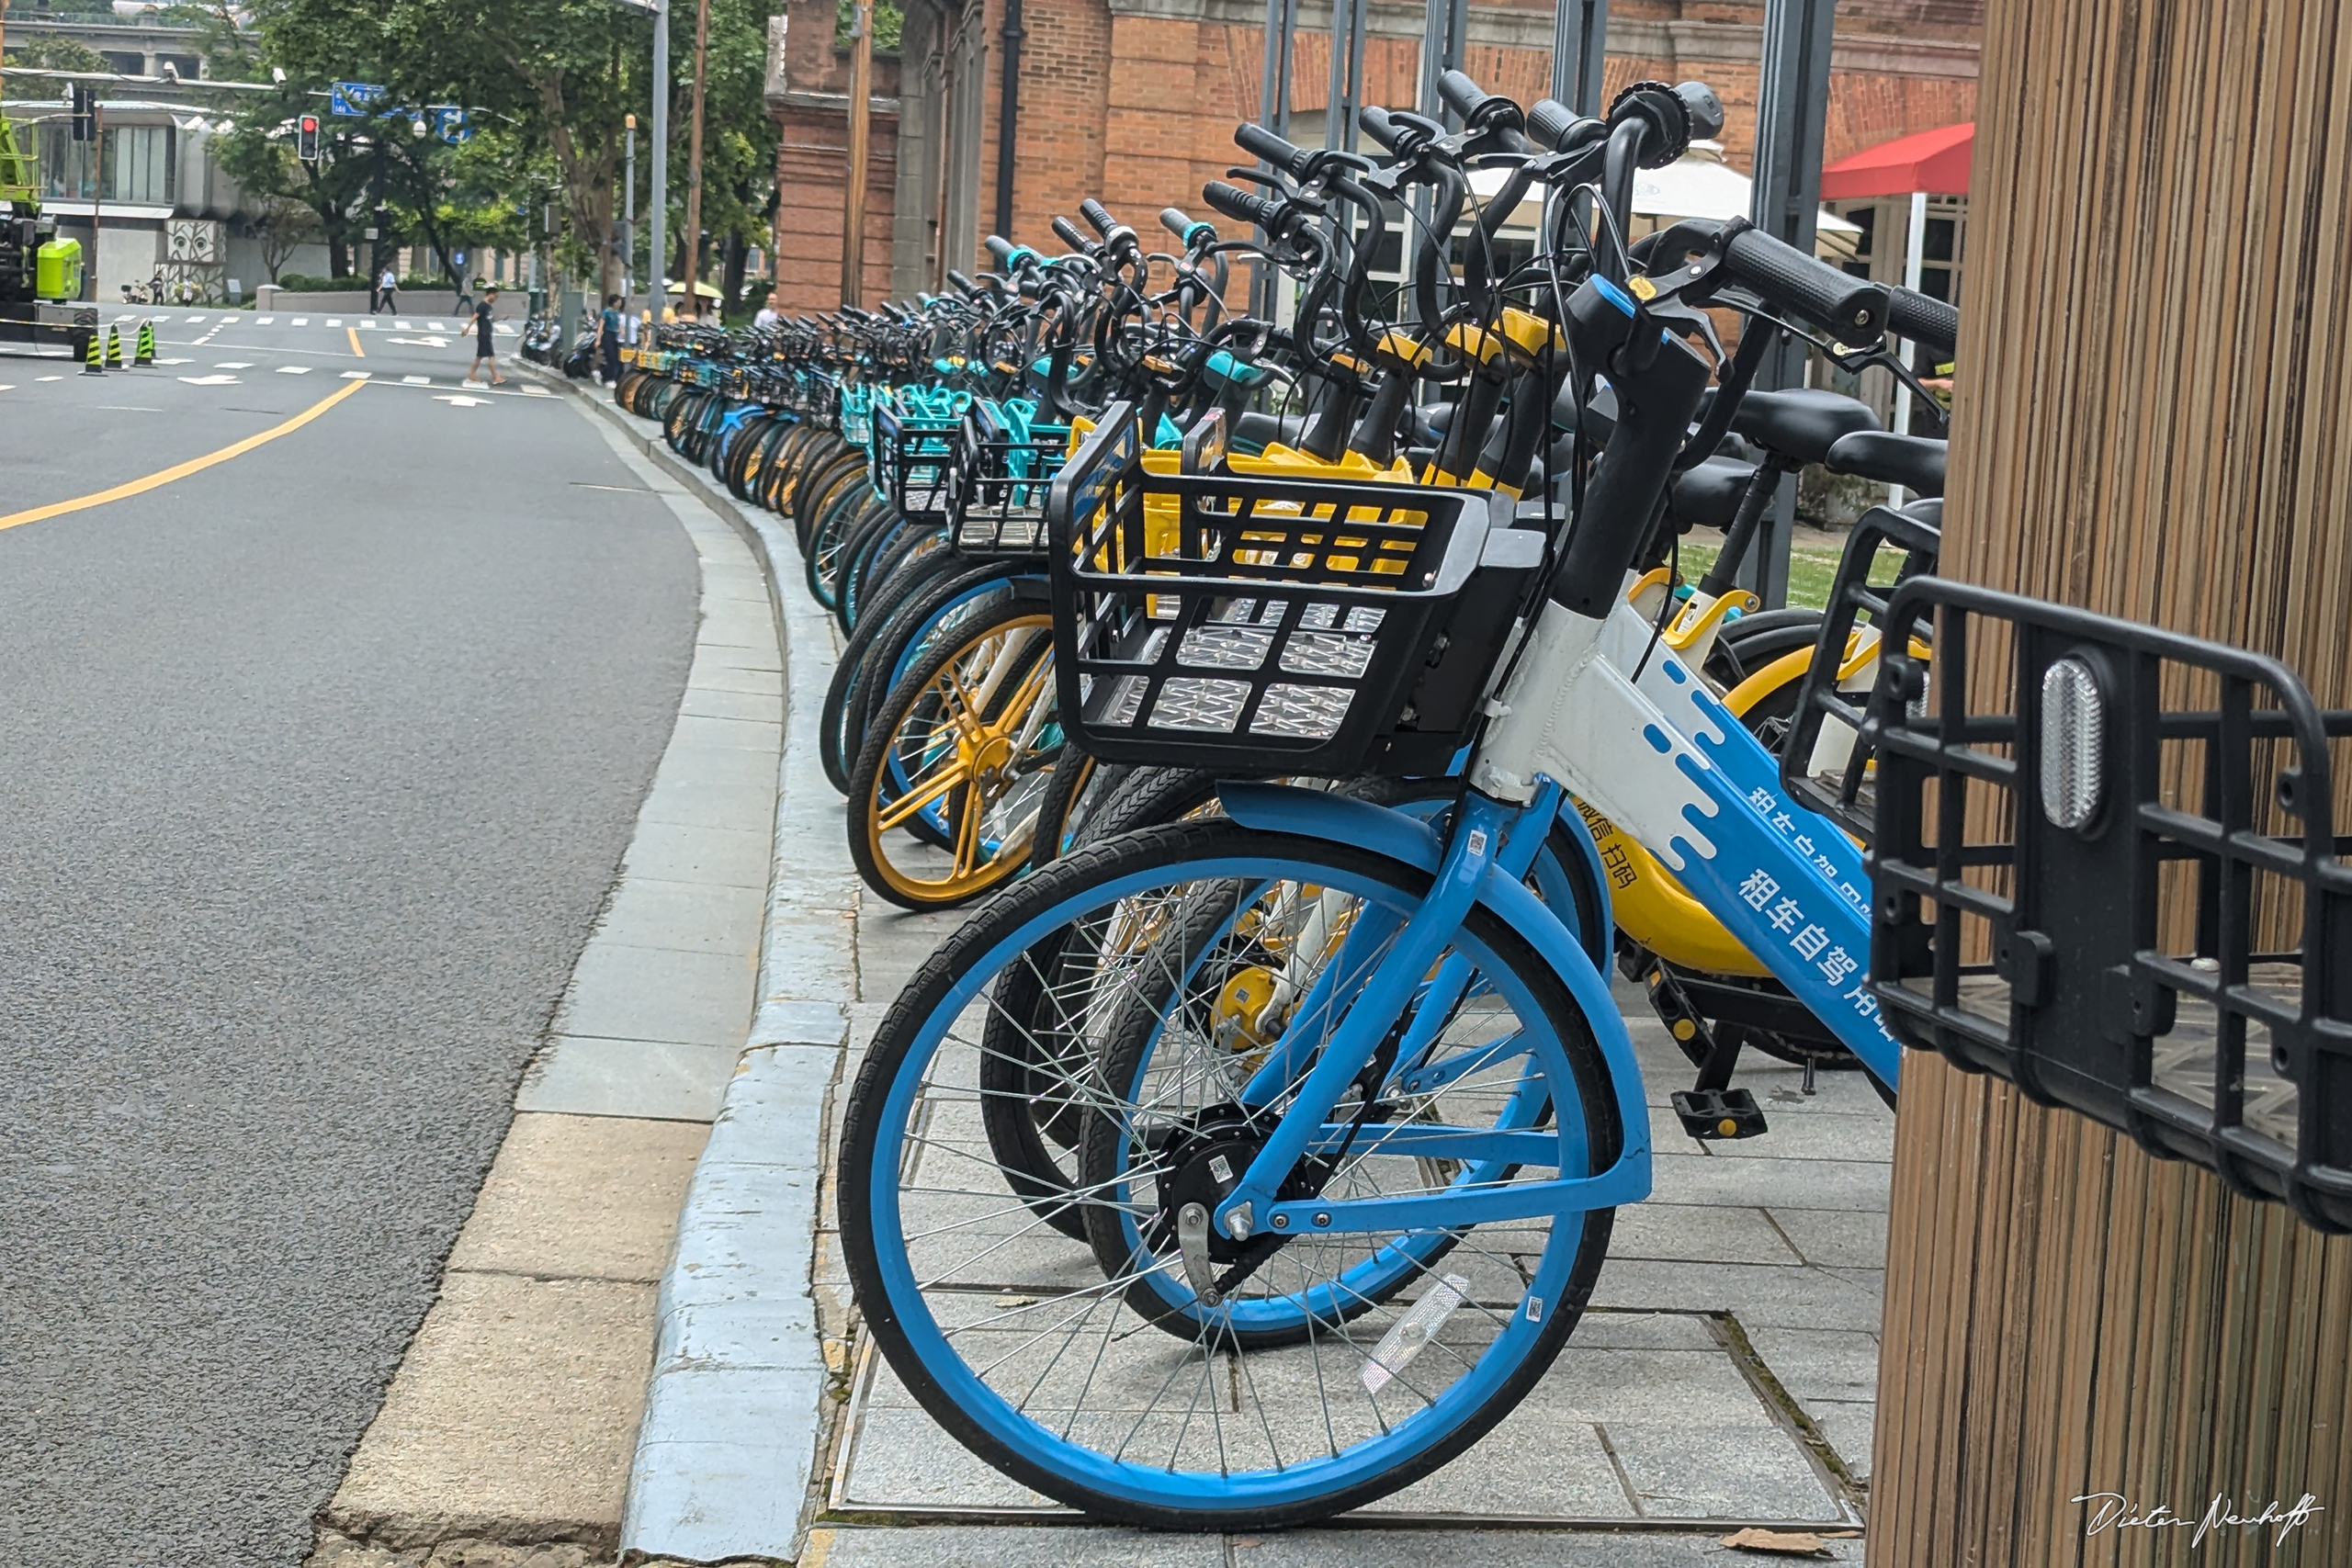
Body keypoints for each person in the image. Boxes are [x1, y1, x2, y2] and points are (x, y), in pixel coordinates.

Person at [463, 286, 506, 387]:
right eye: (496, 296)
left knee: (480, 356)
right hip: (484, 334)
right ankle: (495, 377)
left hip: (486, 333)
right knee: (491, 356)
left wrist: (500, 318)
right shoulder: (482, 306)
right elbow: (475, 317)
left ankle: (471, 374)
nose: (496, 299)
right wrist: (467, 329)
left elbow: (489, 319)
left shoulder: (488, 307)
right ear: (490, 295)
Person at [598, 293, 623, 385]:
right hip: (608, 336)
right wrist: (598, 338)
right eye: (618, 302)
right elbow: (601, 325)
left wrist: (622, 333)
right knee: (611, 357)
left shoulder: (617, 313)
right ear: (614, 302)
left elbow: (619, 325)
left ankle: (607, 376)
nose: (620, 303)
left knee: (616, 358)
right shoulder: (606, 312)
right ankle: (608, 378)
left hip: (616, 336)